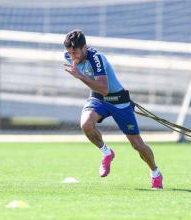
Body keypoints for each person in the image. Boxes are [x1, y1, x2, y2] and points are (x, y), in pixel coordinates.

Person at [63, 29, 163, 189]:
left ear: (85, 47)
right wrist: (80, 74)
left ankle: (155, 173)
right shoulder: (68, 55)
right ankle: (107, 153)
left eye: (75, 52)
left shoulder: (96, 58)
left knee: (137, 145)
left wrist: (80, 76)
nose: (72, 56)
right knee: (86, 124)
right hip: (98, 99)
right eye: (69, 52)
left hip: (117, 100)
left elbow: (104, 88)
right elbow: (100, 92)